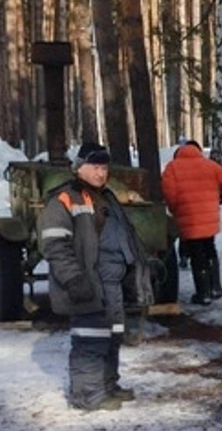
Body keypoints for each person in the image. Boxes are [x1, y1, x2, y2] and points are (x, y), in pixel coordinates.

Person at [42, 142, 154, 411]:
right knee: (90, 338)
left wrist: (142, 266)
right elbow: (54, 245)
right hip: (88, 283)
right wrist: (73, 279)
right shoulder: (65, 199)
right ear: (79, 168)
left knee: (113, 335)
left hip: (112, 284)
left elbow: (126, 237)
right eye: (95, 167)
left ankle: (107, 386)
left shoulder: (108, 197)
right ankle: (87, 396)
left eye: (104, 167)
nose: (101, 173)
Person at [162, 139, 222, 305]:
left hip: (188, 216)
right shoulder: (209, 165)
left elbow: (169, 193)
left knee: (196, 254)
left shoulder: (172, 168)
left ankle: (203, 293)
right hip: (209, 217)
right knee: (209, 248)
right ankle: (216, 287)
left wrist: (176, 209)